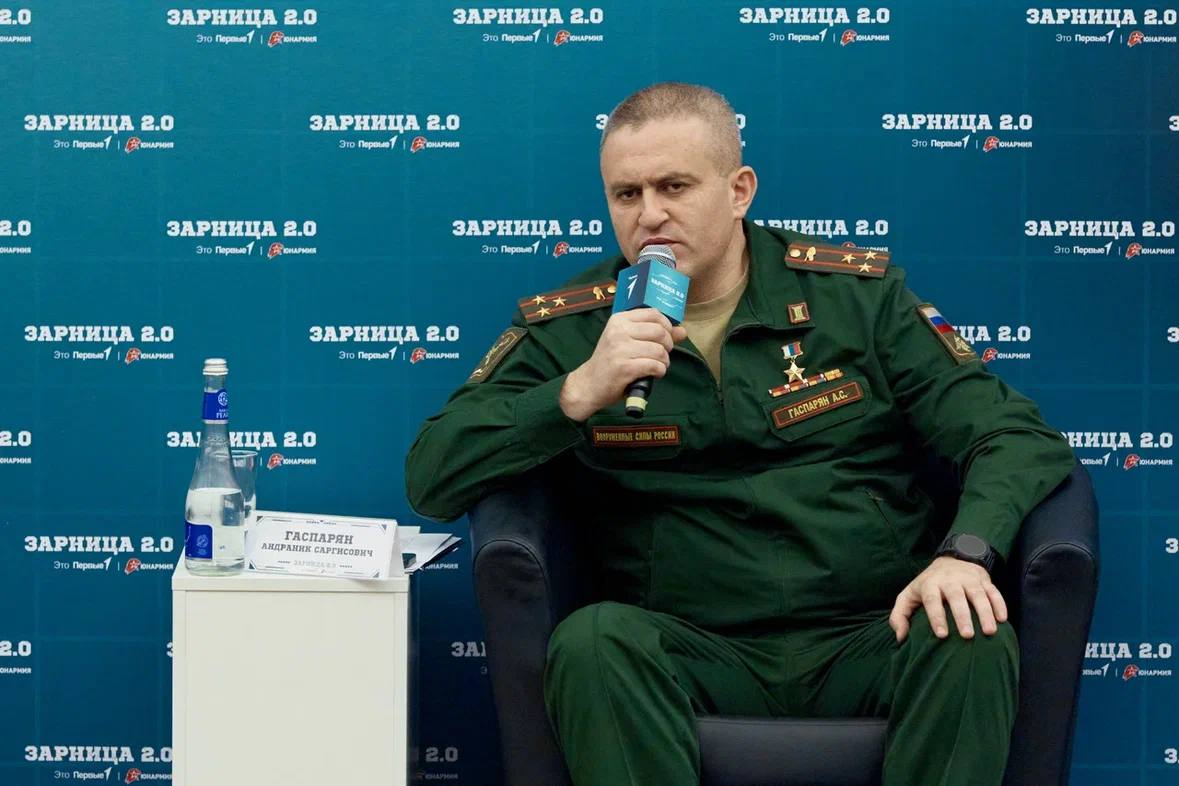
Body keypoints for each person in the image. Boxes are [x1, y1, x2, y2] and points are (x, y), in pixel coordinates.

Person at [405, 82, 1076, 786]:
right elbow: (430, 479)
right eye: (626, 194)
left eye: (674, 186)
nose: (650, 215)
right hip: (688, 646)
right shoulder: (573, 328)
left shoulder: (855, 299)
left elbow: (1013, 436)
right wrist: (576, 391)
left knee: (967, 632)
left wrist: (966, 553)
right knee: (593, 642)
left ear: (738, 191)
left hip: (868, 632)